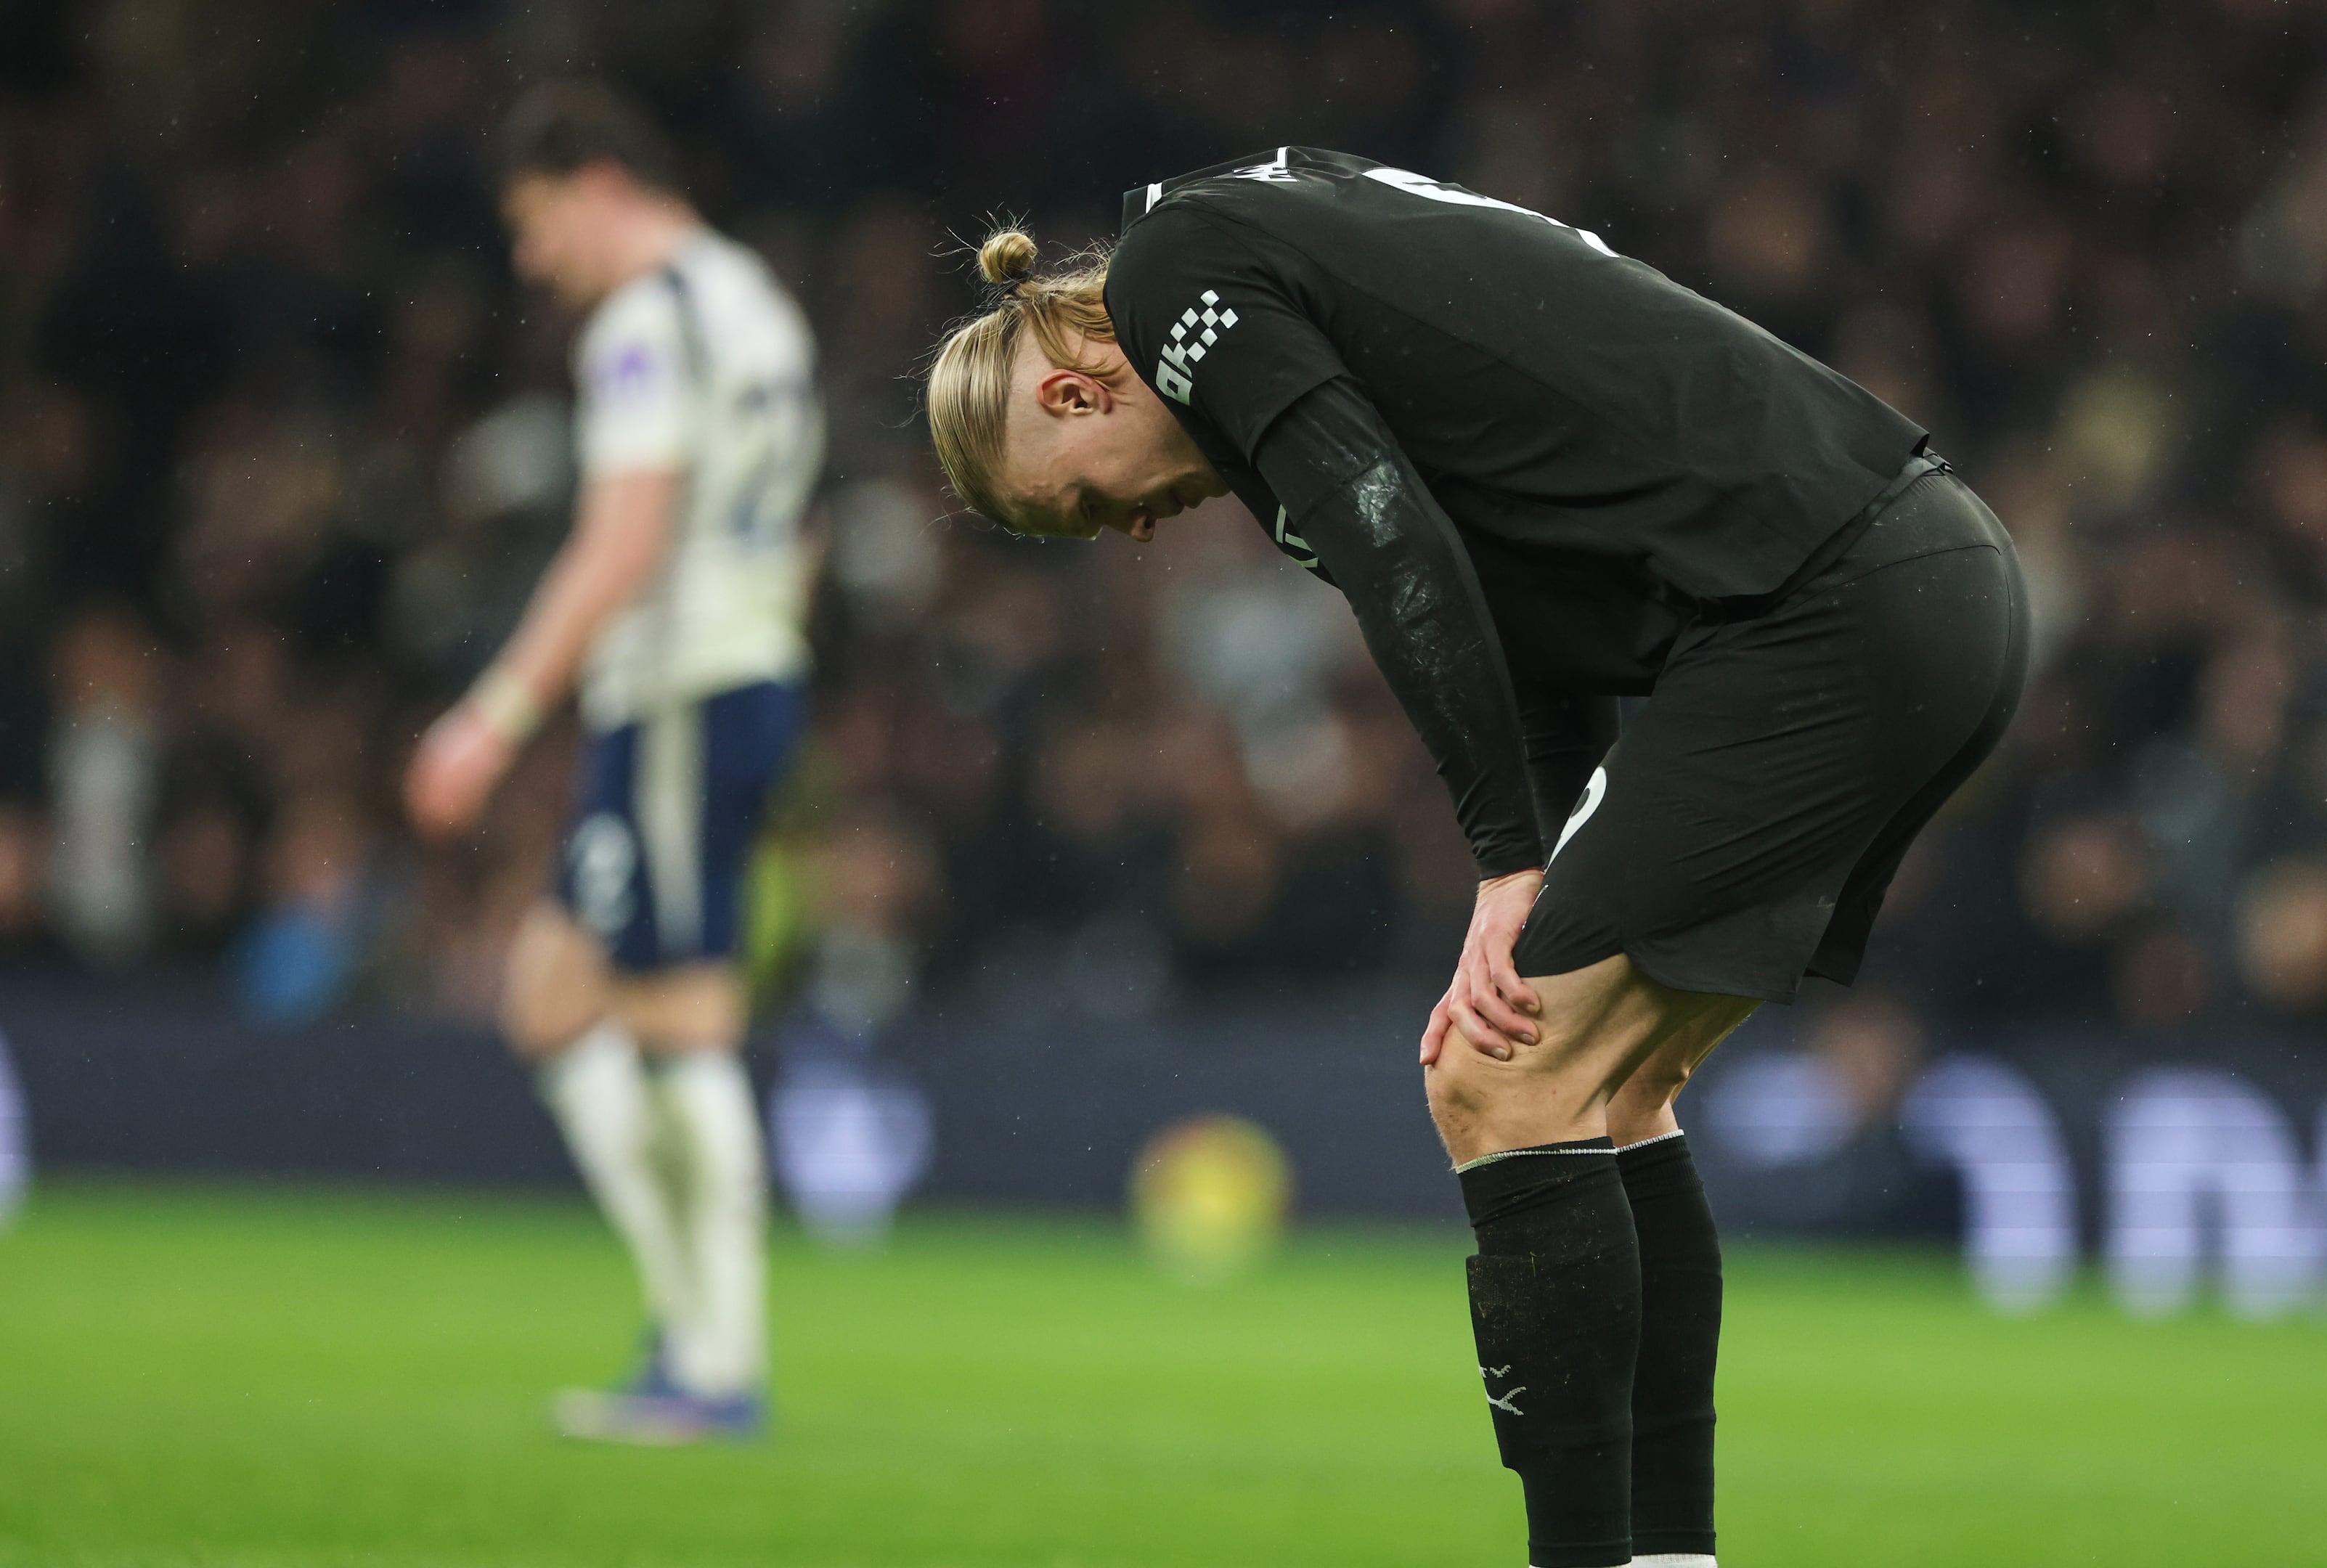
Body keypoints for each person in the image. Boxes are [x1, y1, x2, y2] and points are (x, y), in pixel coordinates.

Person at [922, 147, 2026, 1568]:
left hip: (1822, 602)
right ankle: (1663, 1556)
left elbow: (1398, 545)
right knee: (1606, 1090)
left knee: (1499, 1075)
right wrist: (1539, 860)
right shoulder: (1255, 267)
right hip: (1905, 578)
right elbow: (1517, 606)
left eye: (1081, 504)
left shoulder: (1174, 277)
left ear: (1074, 392)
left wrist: (1510, 861)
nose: (1129, 533)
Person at [403, 82, 821, 1445]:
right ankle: (688, 1331)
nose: (532, 260)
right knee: (551, 993)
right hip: (731, 676)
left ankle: (717, 1362)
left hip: (685, 692)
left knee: (678, 1011)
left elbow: (622, 539)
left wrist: (493, 715)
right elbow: (801, 522)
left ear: (594, 182)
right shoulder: (758, 300)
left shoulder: (647, 324)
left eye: (534, 224)